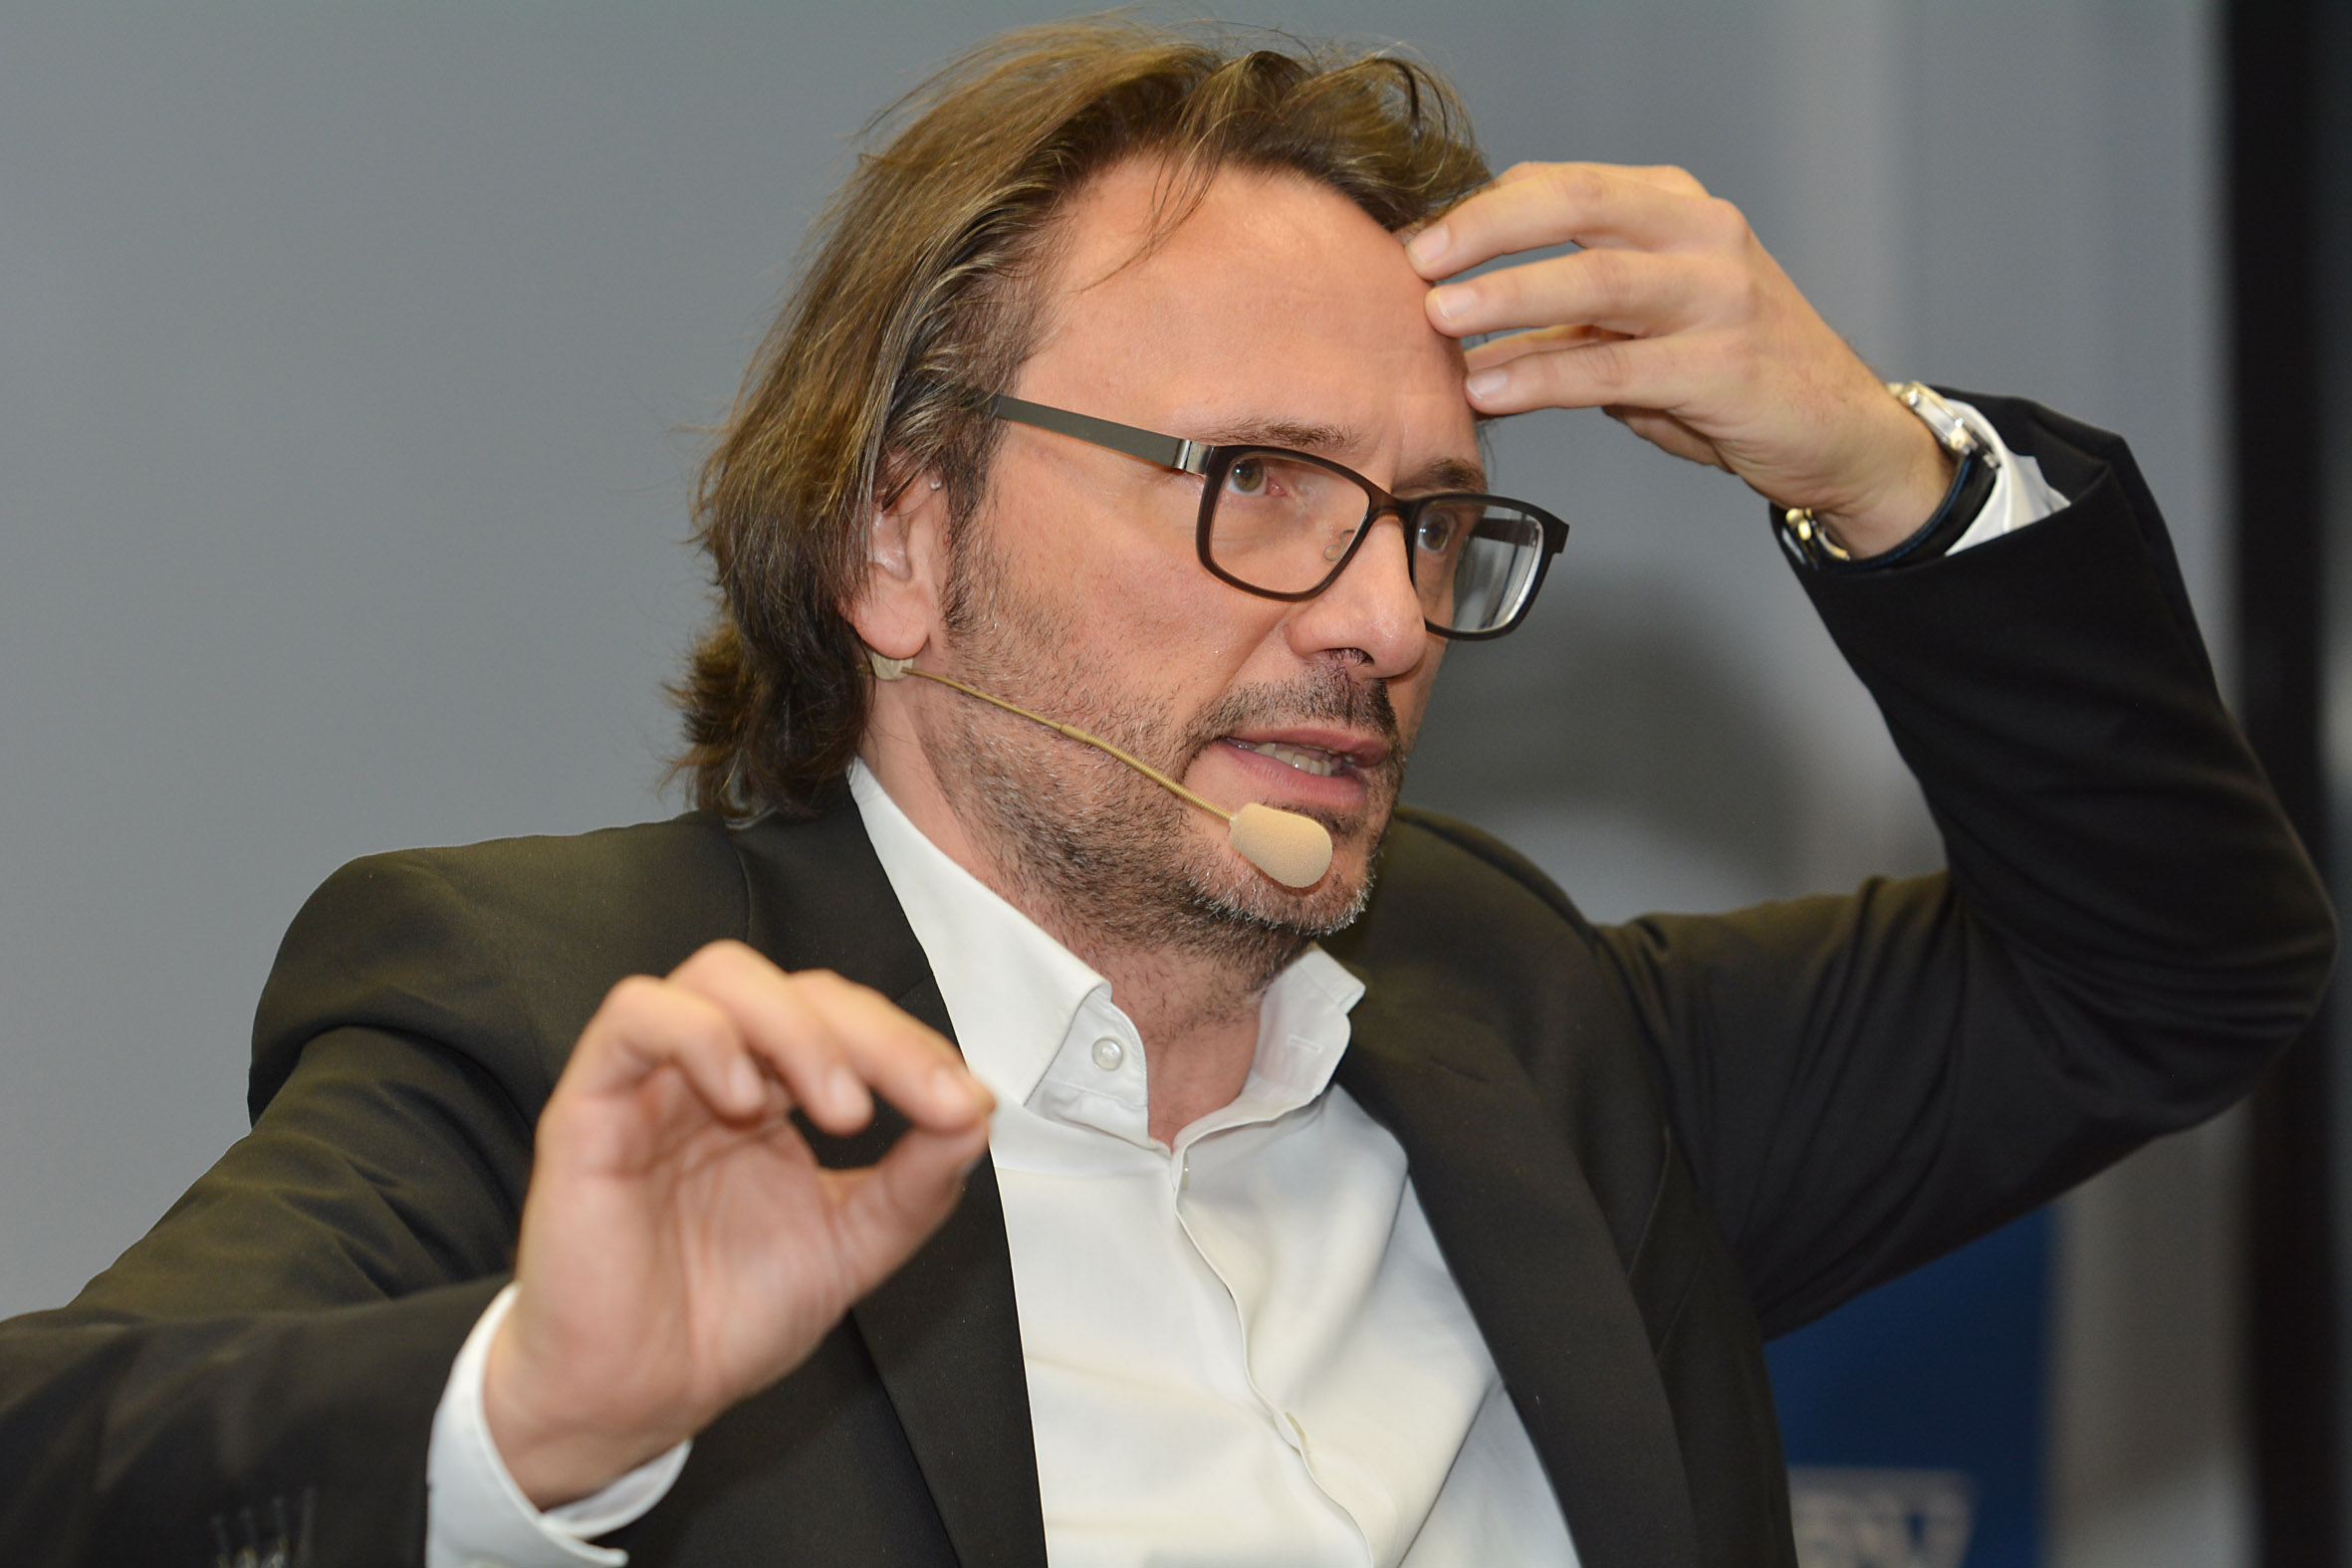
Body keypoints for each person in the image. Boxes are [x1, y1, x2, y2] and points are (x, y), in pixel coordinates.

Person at [0, 19, 2331, 1568]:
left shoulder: (1533, 1033)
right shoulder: (576, 1018)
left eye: (1427, 517)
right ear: (896, 534)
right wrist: (533, 1409)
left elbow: (2168, 967)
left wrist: (1884, 468)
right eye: (1255, 482)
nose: (1379, 616)